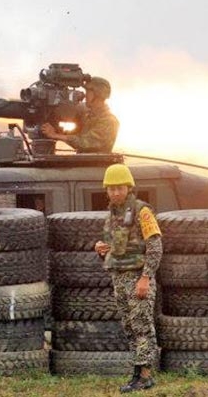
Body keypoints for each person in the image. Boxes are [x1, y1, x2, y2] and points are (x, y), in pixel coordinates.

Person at [94, 164, 162, 392]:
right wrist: (102, 248)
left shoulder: (142, 211)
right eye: (111, 188)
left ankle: (145, 375)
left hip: (137, 277)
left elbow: (155, 246)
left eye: (119, 188)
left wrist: (146, 278)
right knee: (129, 327)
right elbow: (118, 246)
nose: (115, 192)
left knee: (142, 326)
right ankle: (138, 372)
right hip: (119, 278)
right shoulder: (112, 215)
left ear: (129, 188)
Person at [41, 76, 119, 152]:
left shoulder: (109, 121)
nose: (85, 95)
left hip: (98, 164)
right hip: (84, 162)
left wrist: (56, 135)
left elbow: (86, 143)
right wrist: (56, 130)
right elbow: (76, 136)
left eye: (88, 91)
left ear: (98, 94)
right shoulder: (87, 115)